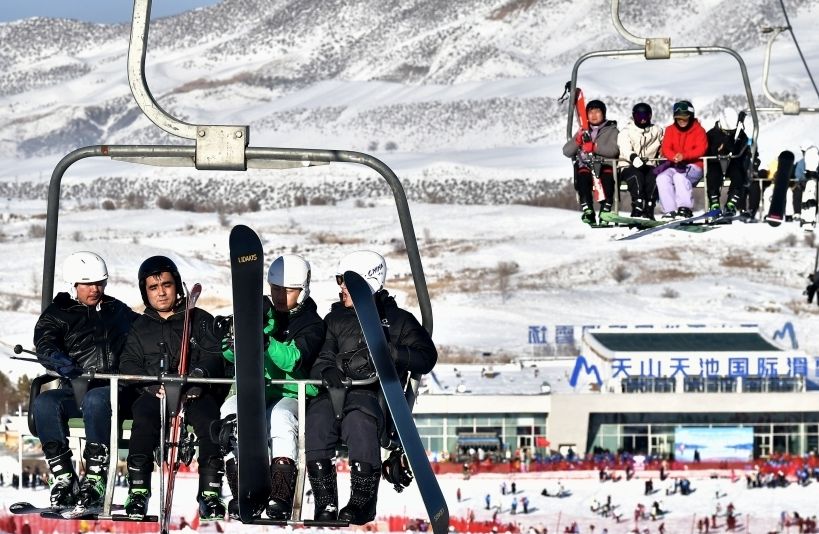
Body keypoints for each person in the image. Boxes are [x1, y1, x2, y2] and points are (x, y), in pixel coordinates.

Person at [305, 250, 438, 525]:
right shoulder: (335, 320)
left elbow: (426, 357)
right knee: (317, 418)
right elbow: (322, 357)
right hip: (336, 393)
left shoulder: (398, 321)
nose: (340, 287)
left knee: (359, 421)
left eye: (344, 281)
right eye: (339, 280)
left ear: (367, 282)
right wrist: (326, 371)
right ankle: (325, 501)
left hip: (375, 397)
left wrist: (393, 353)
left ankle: (361, 501)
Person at [216, 254, 324, 520]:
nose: (279, 296)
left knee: (279, 417)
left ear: (303, 290)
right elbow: (231, 357)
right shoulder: (262, 313)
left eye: (288, 290)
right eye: (275, 289)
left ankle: (280, 493)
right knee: (229, 412)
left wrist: (263, 340)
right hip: (258, 389)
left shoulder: (312, 324)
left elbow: (294, 360)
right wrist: (232, 340)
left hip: (292, 392)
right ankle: (241, 489)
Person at [119, 256, 227, 520]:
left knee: (210, 421)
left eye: (166, 285)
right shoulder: (139, 327)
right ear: (145, 292)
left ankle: (210, 492)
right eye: (153, 287)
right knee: (143, 419)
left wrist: (198, 378)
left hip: (193, 393)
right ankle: (138, 490)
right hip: (154, 393)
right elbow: (128, 363)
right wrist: (150, 382)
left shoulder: (199, 319)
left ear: (176, 285)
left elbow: (214, 356)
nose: (161, 292)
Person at [32, 251, 136, 510]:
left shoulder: (117, 311)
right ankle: (64, 476)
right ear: (74, 284)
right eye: (88, 284)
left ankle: (96, 477)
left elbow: (146, 332)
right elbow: (45, 342)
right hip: (76, 389)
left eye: (100, 283)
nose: (95, 289)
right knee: (45, 402)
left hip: (114, 391)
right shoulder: (58, 314)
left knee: (96, 398)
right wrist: (56, 359)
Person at [562, 99, 620, 225]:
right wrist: (577, 141)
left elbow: (614, 151)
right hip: (586, 165)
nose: (593, 115)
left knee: (607, 177)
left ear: (603, 113)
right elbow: (567, 151)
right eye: (590, 112)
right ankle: (588, 209)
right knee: (582, 176)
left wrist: (594, 147)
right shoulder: (583, 131)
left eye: (597, 112)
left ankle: (605, 209)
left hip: (604, 164)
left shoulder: (612, 130)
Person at [655, 100, 708, 219]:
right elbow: (666, 148)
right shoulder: (670, 130)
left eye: (684, 118)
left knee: (679, 177)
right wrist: (673, 157)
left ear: (691, 116)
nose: (681, 121)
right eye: (678, 118)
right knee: (661, 178)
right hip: (675, 164)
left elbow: (701, 149)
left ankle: (684, 208)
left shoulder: (699, 130)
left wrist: (684, 156)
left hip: (694, 165)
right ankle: (670, 210)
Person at [616, 102, 663, 218]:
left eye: (645, 116)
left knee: (655, 175)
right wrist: (634, 158)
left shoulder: (656, 130)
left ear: (650, 116)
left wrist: (664, 154)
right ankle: (637, 206)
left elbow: (664, 144)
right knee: (636, 176)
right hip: (628, 166)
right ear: (634, 116)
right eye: (639, 116)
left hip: (649, 165)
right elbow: (625, 148)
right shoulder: (626, 131)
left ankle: (649, 208)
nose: (642, 120)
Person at [704, 107, 750, 214]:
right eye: (726, 131)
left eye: (731, 131)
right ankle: (714, 203)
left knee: (738, 174)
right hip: (716, 163)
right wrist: (720, 148)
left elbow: (745, 150)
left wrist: (735, 147)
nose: (729, 133)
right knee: (713, 174)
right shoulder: (711, 135)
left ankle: (731, 203)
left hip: (733, 163)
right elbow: (707, 151)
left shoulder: (740, 135)